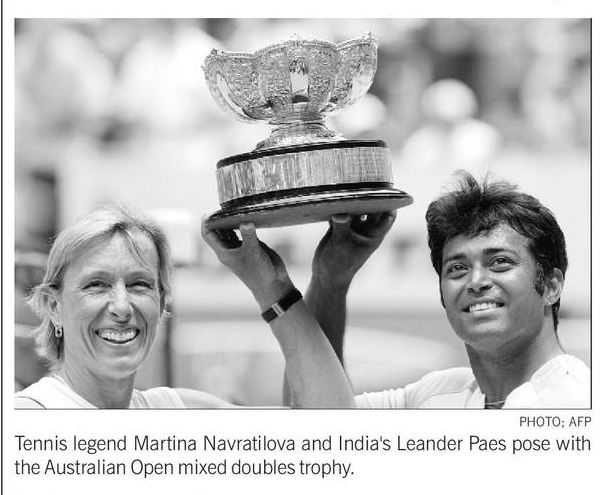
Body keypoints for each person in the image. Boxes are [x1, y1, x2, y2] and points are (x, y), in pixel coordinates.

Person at [15, 206, 354, 408]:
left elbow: (324, 437)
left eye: (139, 284)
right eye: (96, 285)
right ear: (53, 306)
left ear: (162, 303)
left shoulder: (174, 413)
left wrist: (274, 286)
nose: (121, 306)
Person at [307, 172, 590, 408]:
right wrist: (329, 281)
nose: (476, 281)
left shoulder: (576, 401)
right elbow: (316, 419)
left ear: (551, 286)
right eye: (458, 268)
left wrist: (284, 297)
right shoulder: (435, 396)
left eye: (499, 262)